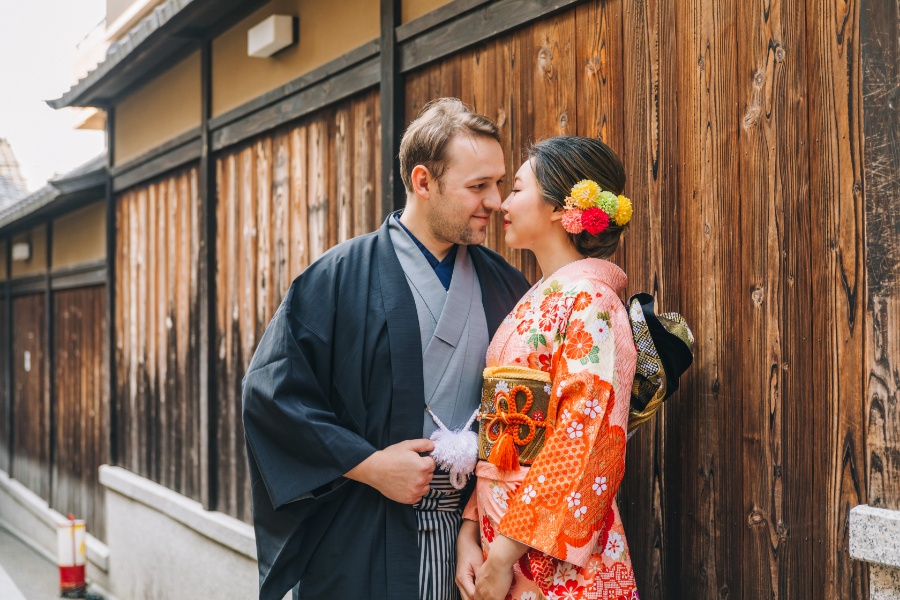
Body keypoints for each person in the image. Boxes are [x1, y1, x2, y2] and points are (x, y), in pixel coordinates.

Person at [242, 98, 531, 600]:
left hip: (477, 537)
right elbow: (270, 393)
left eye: (500, 184)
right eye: (478, 186)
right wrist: (370, 465)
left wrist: (481, 529)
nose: (497, 201)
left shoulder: (505, 284)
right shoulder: (338, 277)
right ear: (423, 182)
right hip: (366, 531)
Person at [455, 136, 640, 600]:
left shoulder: (593, 303)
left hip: (547, 547)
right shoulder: (540, 297)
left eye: (516, 189)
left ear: (560, 208)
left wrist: (501, 559)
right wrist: (470, 530)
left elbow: (583, 438)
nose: (503, 204)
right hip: (505, 532)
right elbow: (503, 436)